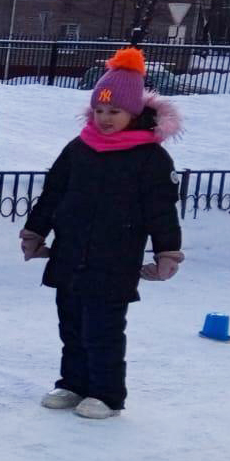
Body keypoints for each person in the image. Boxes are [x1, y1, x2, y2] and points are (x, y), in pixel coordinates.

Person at [20, 47, 184, 420]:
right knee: (72, 324)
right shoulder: (79, 148)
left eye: (115, 111)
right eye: (100, 110)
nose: (106, 118)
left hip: (114, 259)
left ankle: (107, 394)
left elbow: (161, 210)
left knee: (103, 329)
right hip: (70, 253)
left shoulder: (150, 158)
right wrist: (35, 230)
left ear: (134, 113)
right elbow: (53, 192)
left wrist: (167, 252)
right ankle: (72, 384)